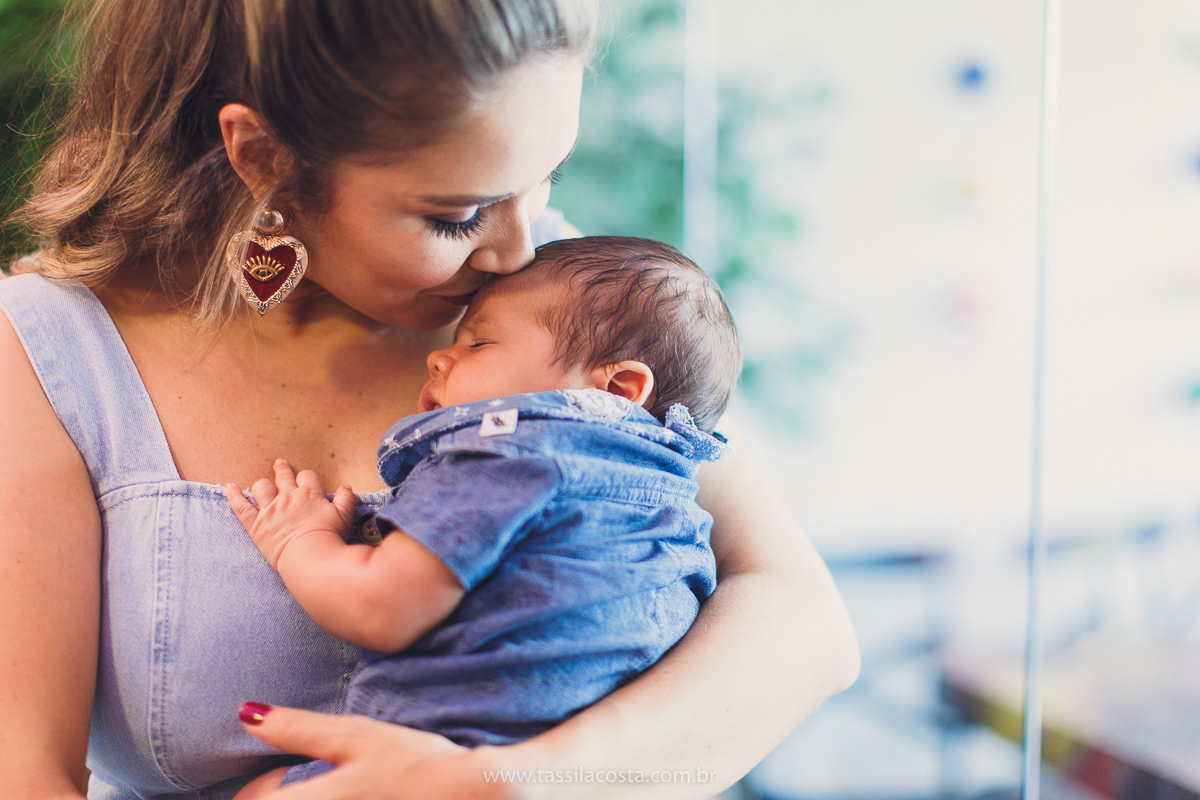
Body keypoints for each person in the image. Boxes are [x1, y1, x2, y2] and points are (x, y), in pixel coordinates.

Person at [0, 1, 859, 799]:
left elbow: (805, 626)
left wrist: (511, 783)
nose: (517, 249)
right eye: (460, 214)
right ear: (265, 158)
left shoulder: (558, 313)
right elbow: (25, 772)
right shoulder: (50, 351)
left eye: (546, 178)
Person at [227, 236, 739, 796]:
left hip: (440, 761)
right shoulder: (676, 503)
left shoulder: (508, 451)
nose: (439, 357)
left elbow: (379, 607)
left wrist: (298, 538)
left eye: (478, 343)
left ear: (618, 387)